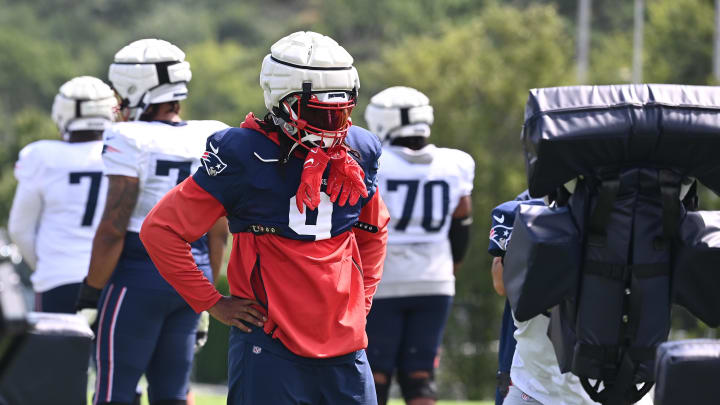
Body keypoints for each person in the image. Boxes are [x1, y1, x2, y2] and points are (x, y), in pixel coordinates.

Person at [140, 31, 390, 405]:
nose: (335, 124)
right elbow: (160, 230)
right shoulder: (243, 154)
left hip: (345, 343)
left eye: (341, 111)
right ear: (283, 101)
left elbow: (374, 230)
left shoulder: (358, 150)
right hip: (271, 344)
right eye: (320, 112)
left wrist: (363, 299)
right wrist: (211, 301)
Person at [74, 38, 229, 405]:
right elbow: (220, 230)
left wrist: (91, 293)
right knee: (173, 395)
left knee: (115, 391)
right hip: (194, 274)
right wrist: (206, 293)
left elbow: (114, 227)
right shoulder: (213, 135)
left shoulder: (129, 137)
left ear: (132, 86)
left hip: (138, 277)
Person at [362, 86, 474, 405]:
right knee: (421, 377)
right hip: (435, 281)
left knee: (375, 374)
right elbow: (462, 221)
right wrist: (448, 272)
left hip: (382, 280)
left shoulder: (375, 163)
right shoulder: (456, 162)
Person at [8, 76, 117, 313]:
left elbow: (19, 229)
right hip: (114, 280)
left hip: (59, 280)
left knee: (57, 351)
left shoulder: (41, 156)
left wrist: (48, 265)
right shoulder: (125, 152)